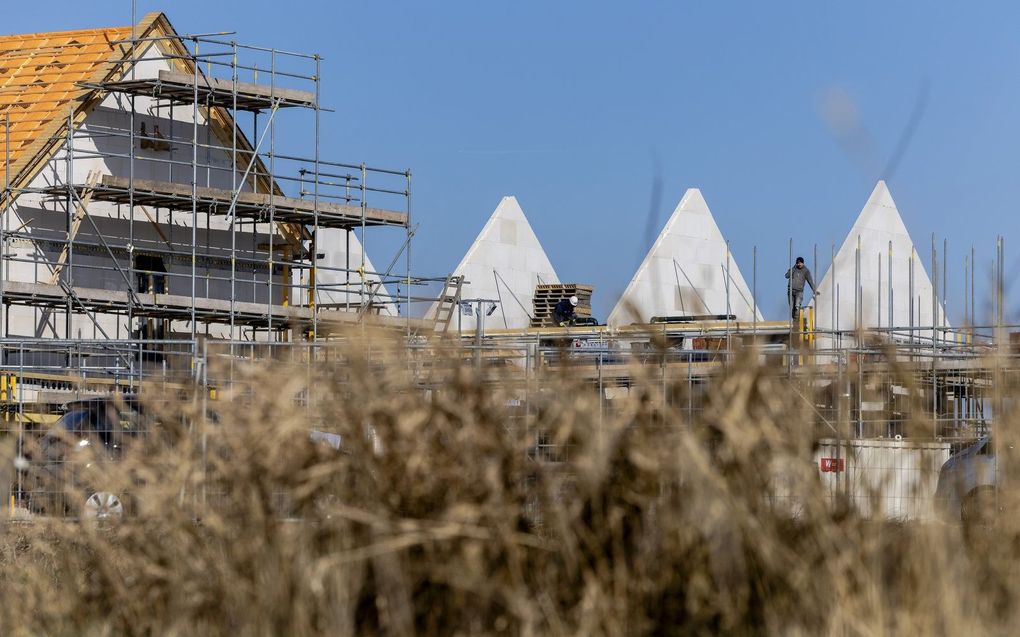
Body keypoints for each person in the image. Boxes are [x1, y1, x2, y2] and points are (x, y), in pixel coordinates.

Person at [785, 257, 817, 321]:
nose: (799, 264)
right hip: (791, 291)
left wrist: (814, 290)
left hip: (799, 291)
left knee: (797, 306)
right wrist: (793, 269)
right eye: (798, 263)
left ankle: (797, 320)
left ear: (803, 263)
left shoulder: (806, 271)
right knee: (792, 307)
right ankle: (794, 320)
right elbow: (786, 276)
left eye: (800, 263)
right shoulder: (793, 269)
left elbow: (810, 281)